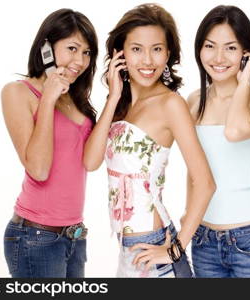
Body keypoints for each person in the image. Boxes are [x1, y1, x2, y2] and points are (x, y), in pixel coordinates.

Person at [83, 3, 215, 278]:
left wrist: (175, 250)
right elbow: (91, 161)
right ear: (120, 53)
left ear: (168, 54)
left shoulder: (171, 104)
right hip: (127, 251)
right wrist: (113, 97)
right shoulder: (120, 105)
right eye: (136, 49)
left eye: (156, 49)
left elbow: (205, 182)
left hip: (155, 249)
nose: (147, 61)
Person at [1, 8, 98, 277]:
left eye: (87, 52)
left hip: (75, 236)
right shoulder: (18, 92)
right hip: (35, 237)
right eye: (72, 48)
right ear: (47, 47)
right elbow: (39, 169)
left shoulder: (77, 101)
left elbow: (91, 161)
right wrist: (48, 98)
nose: (80, 60)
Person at [187, 5, 250, 278]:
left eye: (230, 48)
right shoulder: (193, 101)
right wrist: (188, 217)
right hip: (203, 237)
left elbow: (235, 131)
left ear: (246, 53)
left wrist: (244, 81)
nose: (218, 57)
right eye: (209, 46)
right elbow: (194, 171)